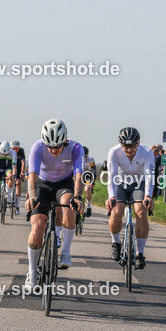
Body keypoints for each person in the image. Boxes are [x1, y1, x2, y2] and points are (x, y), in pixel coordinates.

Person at [24, 119, 84, 289]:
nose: (53, 150)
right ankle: (32, 272)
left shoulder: (76, 148)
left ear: (65, 139)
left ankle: (65, 252)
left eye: (57, 146)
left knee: (68, 204)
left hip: (64, 184)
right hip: (43, 184)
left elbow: (78, 175)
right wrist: (32, 195)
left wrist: (78, 196)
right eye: (50, 146)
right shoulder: (37, 147)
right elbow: (32, 175)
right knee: (37, 226)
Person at [106, 128, 155, 269]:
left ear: (138, 143)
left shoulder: (147, 152)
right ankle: (116, 242)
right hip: (120, 184)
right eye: (125, 146)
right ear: (121, 145)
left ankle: (140, 253)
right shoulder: (114, 152)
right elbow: (112, 176)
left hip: (139, 184)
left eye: (132, 146)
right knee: (117, 210)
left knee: (140, 211)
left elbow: (150, 176)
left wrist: (148, 196)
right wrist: (112, 197)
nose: (128, 150)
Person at [0, 141, 17, 218]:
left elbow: (14, 167)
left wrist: (14, 175)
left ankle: (8, 194)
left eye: (6, 154)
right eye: (3, 153)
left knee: (11, 176)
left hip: (8, 168)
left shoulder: (13, 153)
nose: (4, 155)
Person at [11, 140, 26, 214]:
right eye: (13, 149)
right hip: (11, 169)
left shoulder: (21, 151)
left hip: (19, 169)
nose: (15, 150)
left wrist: (22, 172)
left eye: (16, 149)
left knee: (18, 185)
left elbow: (23, 162)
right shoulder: (9, 151)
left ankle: (17, 206)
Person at [82, 146, 98, 216]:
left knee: (88, 189)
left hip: (87, 177)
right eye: (83, 156)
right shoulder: (76, 158)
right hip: (79, 176)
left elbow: (94, 171)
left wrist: (93, 182)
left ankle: (89, 206)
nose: (84, 158)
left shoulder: (90, 159)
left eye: (85, 156)